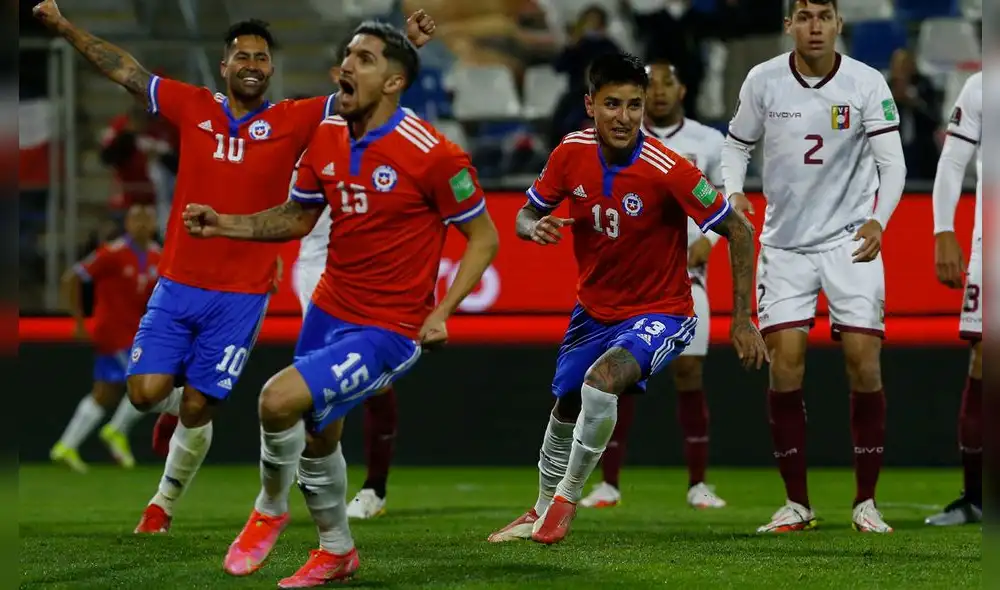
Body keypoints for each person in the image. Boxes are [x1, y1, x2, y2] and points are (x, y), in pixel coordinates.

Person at [31, 0, 435, 536]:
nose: (251, 63)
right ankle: (172, 409)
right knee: (144, 394)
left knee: (201, 407)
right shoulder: (193, 105)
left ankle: (162, 504)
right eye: (241, 55)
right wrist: (63, 27)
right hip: (176, 285)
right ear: (224, 65)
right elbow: (125, 70)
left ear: (271, 69)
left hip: (241, 295)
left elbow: (360, 95)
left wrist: (404, 47)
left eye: (261, 57)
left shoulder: (292, 118)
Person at [183, 21, 498, 586]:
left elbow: (484, 237)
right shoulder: (326, 137)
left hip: (389, 328)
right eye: (348, 55)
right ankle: (336, 551)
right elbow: (297, 217)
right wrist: (224, 223)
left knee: (276, 401)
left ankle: (269, 510)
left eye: (366, 59)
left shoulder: (433, 155)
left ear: (395, 81)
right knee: (319, 435)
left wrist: (442, 311)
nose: (348, 66)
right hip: (331, 306)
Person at [488, 51, 766, 546]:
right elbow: (524, 215)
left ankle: (566, 501)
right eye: (613, 104)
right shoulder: (569, 152)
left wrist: (742, 319)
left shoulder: (669, 168)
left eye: (634, 106)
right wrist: (535, 229)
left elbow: (739, 230)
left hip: (662, 310)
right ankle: (539, 507)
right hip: (593, 311)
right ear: (590, 104)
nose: (625, 117)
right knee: (565, 406)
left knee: (600, 384)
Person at [720, 0, 907, 534]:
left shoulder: (867, 83)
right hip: (785, 247)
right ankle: (797, 504)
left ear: (838, 23)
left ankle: (865, 502)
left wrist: (879, 221)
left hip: (851, 242)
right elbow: (736, 145)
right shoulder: (764, 80)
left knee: (863, 363)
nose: (815, 25)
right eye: (804, 16)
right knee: (785, 365)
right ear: (789, 26)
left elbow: (893, 165)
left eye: (824, 15)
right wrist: (734, 193)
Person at [581, 58, 727, 510]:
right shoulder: (619, 143)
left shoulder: (708, 142)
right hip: (629, 281)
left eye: (668, 83)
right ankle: (608, 483)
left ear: (682, 90)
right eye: (654, 85)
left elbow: (725, 203)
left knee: (689, 374)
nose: (660, 92)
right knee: (616, 377)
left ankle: (698, 482)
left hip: (687, 280)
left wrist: (709, 241)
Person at [50, 204, 160, 472]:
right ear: (127, 224)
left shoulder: (160, 256)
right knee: (148, 382)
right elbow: (71, 278)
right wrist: (77, 321)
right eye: (137, 219)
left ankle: (65, 446)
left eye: (148, 219)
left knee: (105, 392)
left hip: (137, 333)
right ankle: (116, 430)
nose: (142, 224)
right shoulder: (112, 253)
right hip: (113, 332)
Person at [926, 71, 982, 526]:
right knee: (984, 363)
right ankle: (976, 496)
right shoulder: (982, 87)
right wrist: (944, 229)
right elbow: (951, 162)